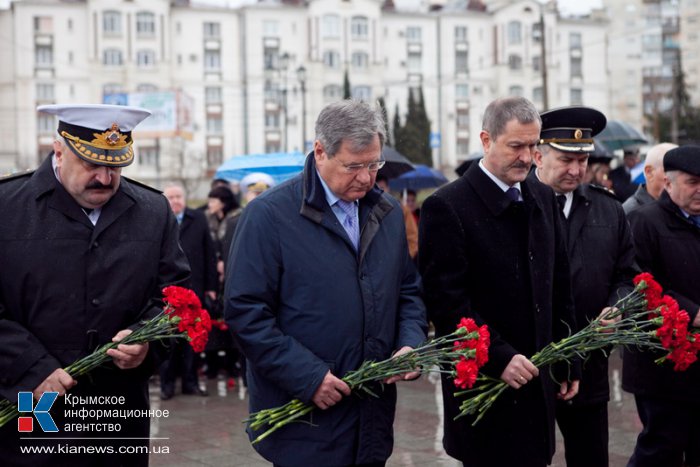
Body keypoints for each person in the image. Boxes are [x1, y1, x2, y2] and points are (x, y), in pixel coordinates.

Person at [225, 99, 427, 466]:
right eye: (354, 166)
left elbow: (408, 291)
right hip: (304, 418)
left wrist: (411, 342)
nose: (366, 178)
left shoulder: (389, 213)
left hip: (372, 418)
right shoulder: (267, 216)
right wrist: (309, 377)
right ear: (320, 151)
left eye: (374, 164)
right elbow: (245, 313)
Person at [0, 104, 190, 466]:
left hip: (117, 410)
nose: (105, 178)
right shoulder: (7, 207)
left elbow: (174, 298)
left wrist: (145, 340)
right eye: (92, 164)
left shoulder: (153, 211)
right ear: (59, 150)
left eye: (115, 166)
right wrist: (30, 369)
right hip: (31, 401)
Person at [418, 96, 580, 467]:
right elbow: (447, 306)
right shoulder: (447, 206)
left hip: (538, 386)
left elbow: (559, 287)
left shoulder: (542, 195)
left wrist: (569, 360)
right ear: (486, 140)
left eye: (533, 146)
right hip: (486, 390)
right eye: (516, 146)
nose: (527, 157)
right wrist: (498, 358)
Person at [531, 106, 638, 467]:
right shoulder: (519, 206)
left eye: (583, 160)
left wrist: (618, 306)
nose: (577, 170)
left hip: (590, 361)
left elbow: (627, 275)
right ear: (538, 155)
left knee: (590, 457)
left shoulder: (609, 210)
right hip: (531, 363)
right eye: (566, 160)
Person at [624, 145, 700, 467]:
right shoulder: (644, 222)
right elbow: (638, 286)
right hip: (662, 366)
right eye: (693, 181)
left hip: (697, 363)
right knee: (661, 449)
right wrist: (693, 314)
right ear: (667, 183)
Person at [159, 182, 218, 400]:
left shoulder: (198, 218)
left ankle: (190, 383)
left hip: (195, 288)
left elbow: (209, 254)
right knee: (167, 340)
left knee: (192, 339)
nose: (175, 201)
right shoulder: (161, 219)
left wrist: (212, 288)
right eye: (171, 197)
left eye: (178, 196)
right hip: (168, 292)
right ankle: (167, 386)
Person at [622, 142, 677, 214]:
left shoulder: (683, 207)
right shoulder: (632, 213)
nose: (678, 178)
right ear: (649, 172)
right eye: (670, 171)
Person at [376, 173, 418, 259]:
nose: (378, 192)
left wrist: (404, 260)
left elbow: (412, 237)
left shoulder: (401, 209)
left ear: (388, 188)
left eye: (382, 188)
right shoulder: (365, 210)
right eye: (375, 188)